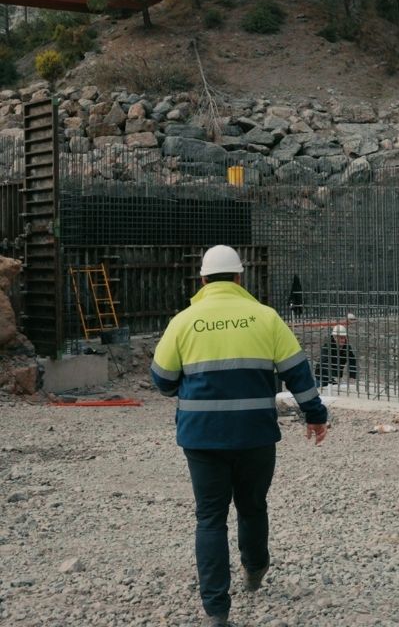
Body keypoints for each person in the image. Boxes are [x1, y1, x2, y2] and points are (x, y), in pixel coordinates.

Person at [150, 245, 328, 627]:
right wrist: (315, 415)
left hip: (201, 439)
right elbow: (299, 373)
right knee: (252, 505)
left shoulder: (184, 321)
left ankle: (217, 609)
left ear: (201, 280)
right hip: (255, 435)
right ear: (239, 278)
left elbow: (162, 381)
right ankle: (255, 568)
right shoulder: (265, 318)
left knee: (210, 518)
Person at [316, 316, 358, 386]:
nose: (343, 340)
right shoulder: (327, 347)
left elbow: (352, 361)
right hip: (322, 376)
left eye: (344, 338)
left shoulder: (346, 347)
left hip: (337, 377)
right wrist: (334, 376)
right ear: (335, 337)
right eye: (340, 338)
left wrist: (352, 376)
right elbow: (325, 364)